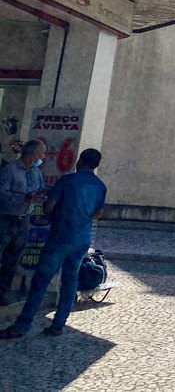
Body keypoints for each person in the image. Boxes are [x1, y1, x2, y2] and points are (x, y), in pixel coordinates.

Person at [0, 148, 106, 339]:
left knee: (40, 281)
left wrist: (53, 213)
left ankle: (22, 325)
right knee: (70, 280)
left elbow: (49, 206)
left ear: (80, 161)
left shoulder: (67, 181)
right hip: (81, 239)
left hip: (60, 237)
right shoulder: (100, 186)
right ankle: (58, 324)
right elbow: (98, 213)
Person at [0, 140, 46, 306]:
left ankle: (3, 293)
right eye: (42, 152)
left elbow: (40, 187)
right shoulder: (10, 170)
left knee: (13, 259)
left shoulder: (36, 171)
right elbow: (1, 193)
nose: (43, 156)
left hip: (24, 219)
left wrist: (41, 194)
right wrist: (22, 198)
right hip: (6, 217)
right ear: (33, 153)